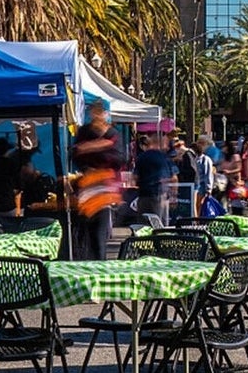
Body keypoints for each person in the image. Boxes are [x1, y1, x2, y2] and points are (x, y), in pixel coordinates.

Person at [70, 104, 123, 261]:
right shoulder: (85, 132)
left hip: (104, 192)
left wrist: (91, 148)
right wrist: (97, 146)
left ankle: (99, 266)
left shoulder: (113, 134)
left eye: (100, 113)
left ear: (106, 115)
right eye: (94, 113)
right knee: (84, 238)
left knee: (99, 239)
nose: (97, 117)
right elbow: (76, 154)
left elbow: (119, 159)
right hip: (86, 190)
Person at [133, 132, 176, 225]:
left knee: (143, 226)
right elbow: (174, 178)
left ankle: (144, 239)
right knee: (159, 225)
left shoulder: (141, 157)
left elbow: (135, 177)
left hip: (144, 195)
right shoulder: (165, 158)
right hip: (160, 195)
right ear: (161, 143)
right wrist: (173, 196)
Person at [193, 135, 216, 214]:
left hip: (194, 186)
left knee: (195, 207)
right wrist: (209, 189)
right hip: (202, 187)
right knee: (200, 207)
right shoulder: (205, 159)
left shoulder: (193, 157)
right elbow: (208, 175)